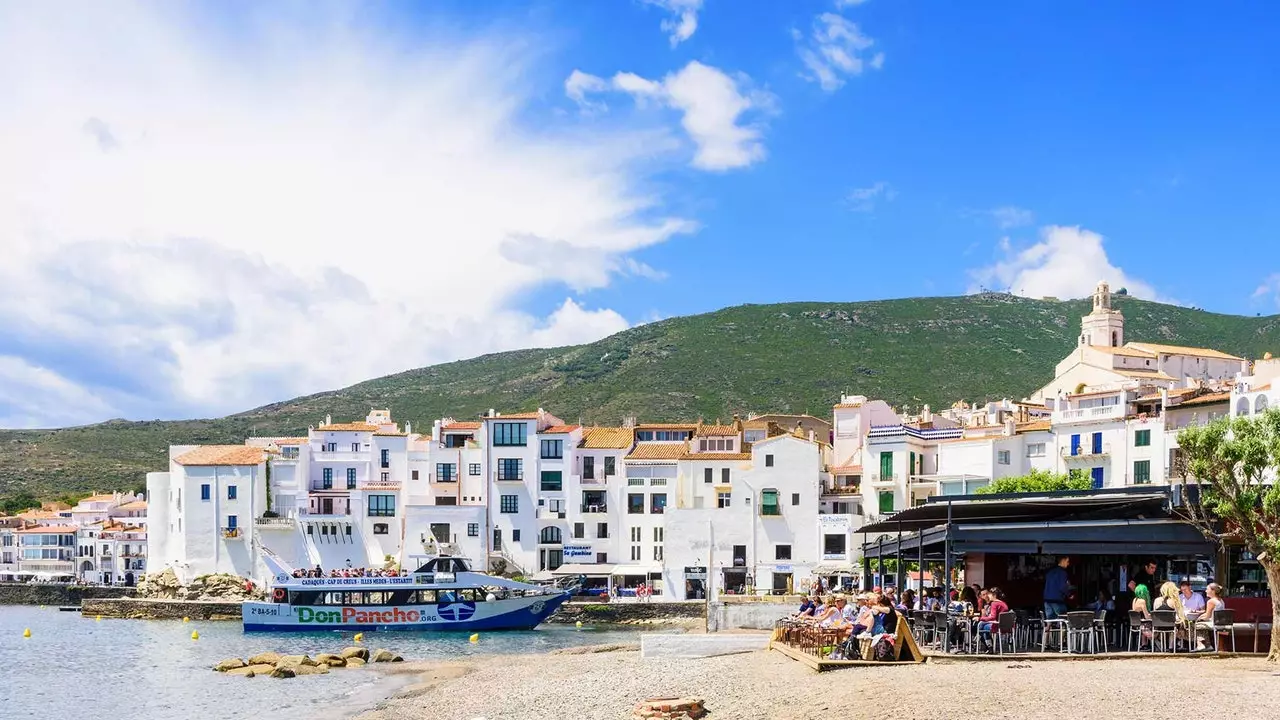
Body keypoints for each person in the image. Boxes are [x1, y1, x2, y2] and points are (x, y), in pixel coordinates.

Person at [1194, 582, 1227, 651]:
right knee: (1202, 625)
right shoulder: (1221, 600)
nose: (1205, 591)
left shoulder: (1211, 601)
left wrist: (1198, 619)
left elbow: (1207, 616)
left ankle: (1201, 644)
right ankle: (1207, 645)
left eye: (1207, 589)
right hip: (1221, 623)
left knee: (1197, 625)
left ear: (1213, 591)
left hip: (1214, 623)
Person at [976, 587, 1010, 653]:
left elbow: (992, 617)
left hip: (998, 626)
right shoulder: (1003, 603)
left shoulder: (994, 603)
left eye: (989, 594)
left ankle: (982, 644)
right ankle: (989, 647)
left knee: (981, 626)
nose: (988, 596)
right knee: (983, 624)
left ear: (994, 595)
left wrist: (980, 618)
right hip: (1006, 626)